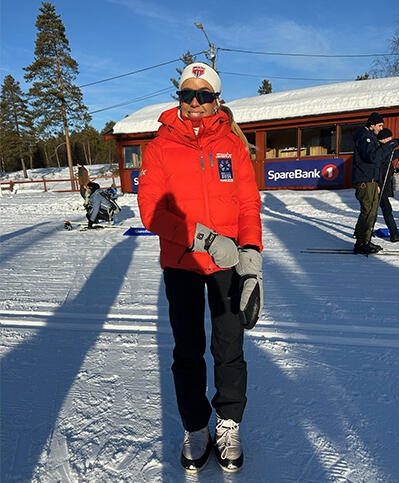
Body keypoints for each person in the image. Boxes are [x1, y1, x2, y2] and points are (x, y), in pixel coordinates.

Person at [138, 62, 263, 473]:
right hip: (183, 263)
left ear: (216, 100)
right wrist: (206, 239)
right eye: (187, 94)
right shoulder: (158, 147)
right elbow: (151, 211)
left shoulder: (232, 145)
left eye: (203, 95)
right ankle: (196, 427)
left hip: (230, 265)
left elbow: (248, 204)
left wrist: (252, 258)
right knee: (188, 350)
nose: (194, 102)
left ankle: (228, 424)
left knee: (229, 348)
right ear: (179, 98)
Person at [352, 112, 399, 254]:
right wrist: (389, 145)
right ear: (372, 125)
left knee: (371, 212)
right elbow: (373, 157)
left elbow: (377, 160)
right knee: (367, 212)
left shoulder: (370, 137)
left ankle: (365, 241)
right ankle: (361, 243)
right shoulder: (364, 137)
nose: (381, 128)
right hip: (365, 181)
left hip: (371, 180)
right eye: (379, 125)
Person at [377, 128, 399, 242]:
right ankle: (394, 234)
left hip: (384, 184)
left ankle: (394, 233)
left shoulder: (386, 151)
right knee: (379, 210)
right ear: (383, 140)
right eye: (389, 138)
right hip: (379, 185)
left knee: (384, 209)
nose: (391, 139)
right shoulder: (380, 151)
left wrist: (393, 170)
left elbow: (394, 154)